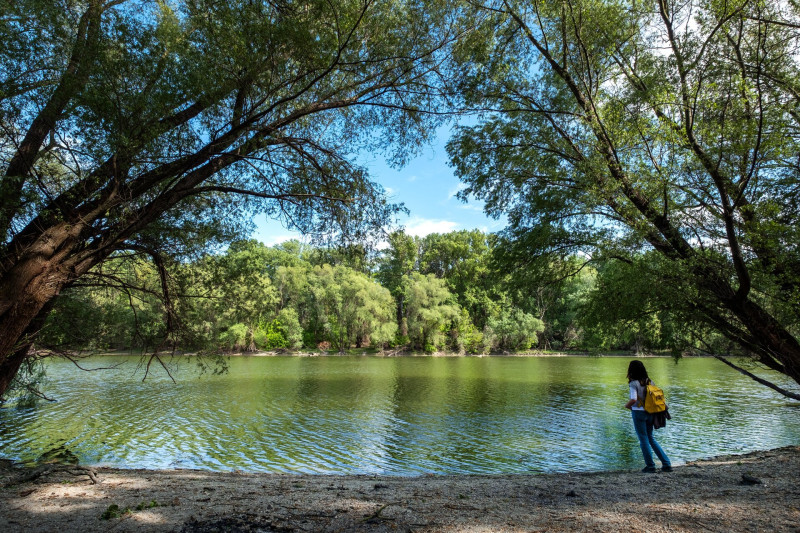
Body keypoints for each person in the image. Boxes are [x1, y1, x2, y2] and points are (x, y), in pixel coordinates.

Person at [625, 360, 673, 473]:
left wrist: (627, 406)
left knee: (643, 439)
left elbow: (634, 399)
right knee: (650, 438)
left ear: (631, 370)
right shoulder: (650, 382)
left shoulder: (633, 383)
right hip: (651, 413)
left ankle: (650, 466)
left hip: (639, 413)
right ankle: (666, 464)